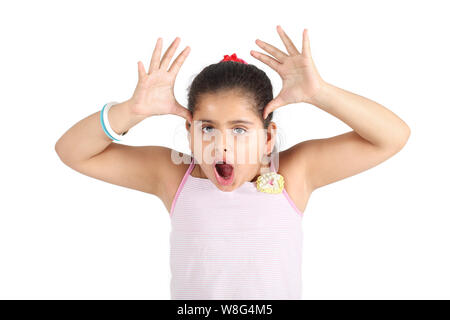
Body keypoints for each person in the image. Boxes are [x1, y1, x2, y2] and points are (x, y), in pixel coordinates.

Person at [54, 26, 411, 300]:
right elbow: (72, 152)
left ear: (267, 137)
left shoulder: (295, 171)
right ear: (190, 131)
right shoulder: (173, 174)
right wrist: (130, 111)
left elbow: (392, 137)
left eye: (240, 130)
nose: (220, 145)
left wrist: (321, 94)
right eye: (207, 128)